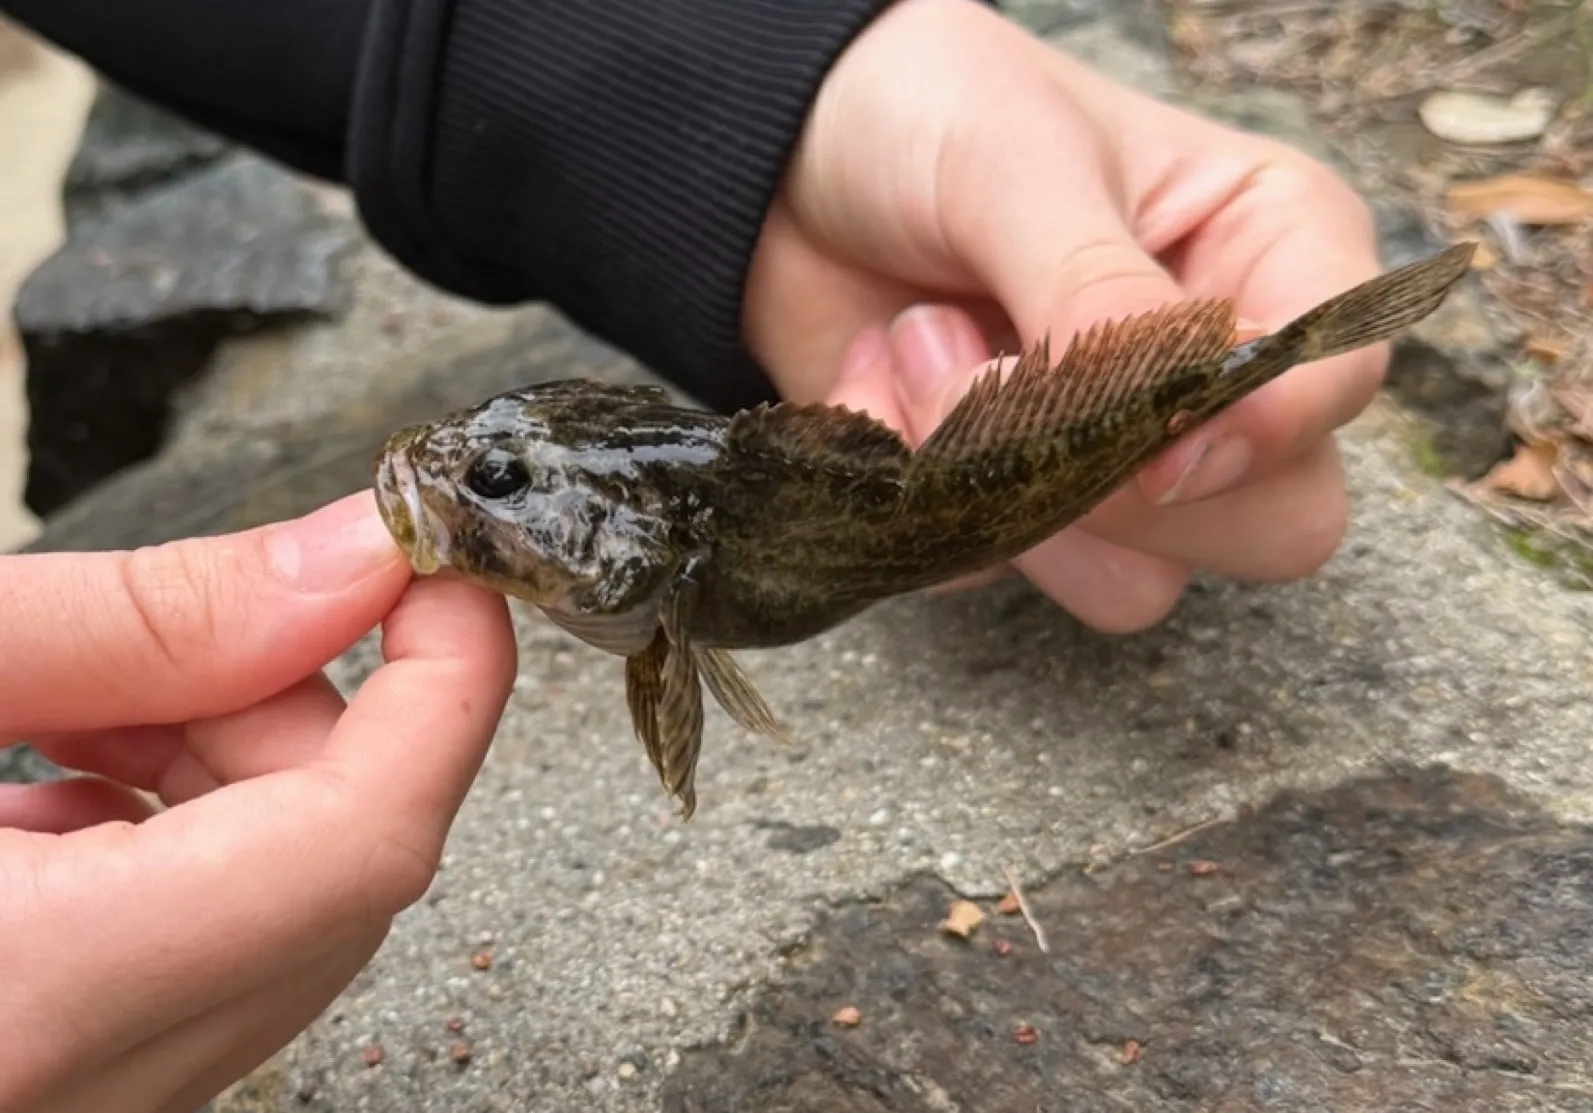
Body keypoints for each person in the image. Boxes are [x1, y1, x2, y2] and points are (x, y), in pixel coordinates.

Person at [0, 0, 1391, 1108]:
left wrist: (779, 97)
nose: (443, 482)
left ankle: (1254, 363)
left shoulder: (669, 567)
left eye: (494, 475)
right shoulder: (665, 545)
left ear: (636, 549)